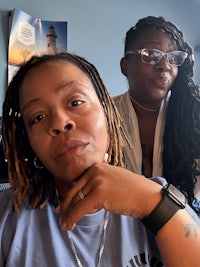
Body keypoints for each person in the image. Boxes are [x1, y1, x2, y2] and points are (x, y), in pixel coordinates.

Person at [1, 52, 200, 267]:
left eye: (75, 102)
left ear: (107, 112)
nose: (60, 122)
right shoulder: (7, 217)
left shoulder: (159, 197)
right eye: (38, 117)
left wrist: (154, 206)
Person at [114, 16, 200, 214]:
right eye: (151, 54)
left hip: (181, 227)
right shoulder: (103, 114)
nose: (164, 65)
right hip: (116, 231)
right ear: (125, 65)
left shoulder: (192, 120)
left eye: (172, 58)